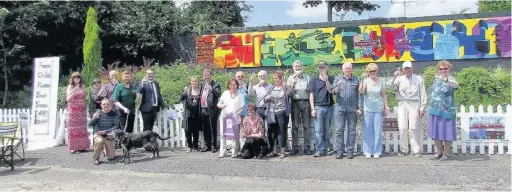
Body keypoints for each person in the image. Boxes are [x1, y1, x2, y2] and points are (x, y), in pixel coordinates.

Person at [387, 61, 427, 158]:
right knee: (402, 127)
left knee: (414, 127)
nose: (407, 70)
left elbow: (423, 93)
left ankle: (416, 150)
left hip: (414, 103)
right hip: (402, 104)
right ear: (403, 69)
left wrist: (422, 107)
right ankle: (404, 149)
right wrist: (394, 77)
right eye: (405, 68)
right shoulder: (399, 79)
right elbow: (389, 87)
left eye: (409, 68)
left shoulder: (418, 78)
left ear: (412, 68)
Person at [428, 60, 458, 161]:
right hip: (435, 110)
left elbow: (456, 85)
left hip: (447, 111)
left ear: (449, 69)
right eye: (441, 69)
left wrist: (445, 80)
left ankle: (446, 153)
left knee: (447, 132)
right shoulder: (436, 80)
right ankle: (439, 152)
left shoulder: (451, 79)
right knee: (435, 132)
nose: (443, 70)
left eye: (445, 68)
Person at [332, 62, 362, 159]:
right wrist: (338, 88)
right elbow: (332, 92)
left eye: (349, 68)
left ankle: (350, 151)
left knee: (352, 131)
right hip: (340, 109)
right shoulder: (338, 79)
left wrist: (359, 107)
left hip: (352, 109)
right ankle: (340, 151)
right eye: (346, 68)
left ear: (352, 69)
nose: (347, 70)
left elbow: (360, 95)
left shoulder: (356, 79)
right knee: (339, 130)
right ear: (342, 69)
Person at [359, 63, 389, 159]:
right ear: (368, 72)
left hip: (378, 108)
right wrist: (362, 80)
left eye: (374, 71)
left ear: (377, 71)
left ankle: (377, 151)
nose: (372, 73)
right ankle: (367, 151)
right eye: (370, 71)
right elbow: (361, 91)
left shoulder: (381, 81)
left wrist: (386, 106)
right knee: (368, 131)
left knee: (378, 131)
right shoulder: (365, 81)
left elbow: (383, 94)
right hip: (368, 108)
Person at [306, 61, 335, 158]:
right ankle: (319, 149)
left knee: (327, 129)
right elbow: (311, 95)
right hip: (318, 107)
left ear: (327, 68)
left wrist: (326, 81)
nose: (322, 69)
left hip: (329, 107)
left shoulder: (331, 78)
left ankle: (326, 148)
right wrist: (312, 108)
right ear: (318, 68)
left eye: (324, 67)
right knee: (318, 130)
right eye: (320, 67)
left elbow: (331, 91)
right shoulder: (313, 80)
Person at [286, 60, 313, 155]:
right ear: (293, 68)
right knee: (295, 126)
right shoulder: (290, 78)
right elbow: (287, 93)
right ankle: (295, 147)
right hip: (294, 103)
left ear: (302, 67)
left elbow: (310, 93)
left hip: (305, 102)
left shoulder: (307, 78)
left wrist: (312, 106)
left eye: (299, 66)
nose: (298, 68)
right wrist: (293, 82)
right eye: (296, 66)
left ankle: (306, 147)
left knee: (306, 126)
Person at [264, 71, 292, 159]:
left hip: (282, 112)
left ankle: (282, 151)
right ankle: (273, 150)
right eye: (274, 78)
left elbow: (290, 92)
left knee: (281, 132)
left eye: (276, 78)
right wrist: (269, 97)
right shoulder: (271, 88)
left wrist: (285, 85)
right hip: (272, 112)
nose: (274, 80)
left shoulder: (284, 88)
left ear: (281, 79)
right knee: (272, 132)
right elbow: (265, 99)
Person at [217, 79, 245, 158]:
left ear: (237, 85)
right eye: (231, 84)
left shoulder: (240, 95)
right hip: (225, 117)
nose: (233, 86)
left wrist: (237, 113)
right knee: (223, 134)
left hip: (235, 117)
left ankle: (234, 151)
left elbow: (242, 107)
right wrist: (221, 106)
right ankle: (222, 151)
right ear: (228, 85)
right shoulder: (225, 93)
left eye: (234, 84)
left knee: (234, 135)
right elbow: (219, 104)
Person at [89, 99, 119, 165]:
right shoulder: (98, 113)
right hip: (99, 134)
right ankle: (96, 159)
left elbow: (116, 126)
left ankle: (106, 150)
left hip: (109, 135)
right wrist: (94, 118)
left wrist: (105, 132)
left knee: (111, 157)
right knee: (99, 141)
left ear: (110, 105)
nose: (106, 106)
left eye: (108, 104)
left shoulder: (114, 114)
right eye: (104, 104)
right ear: (101, 105)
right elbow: (90, 124)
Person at [65, 72, 90, 153]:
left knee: (82, 128)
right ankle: (74, 148)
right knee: (74, 129)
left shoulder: (83, 86)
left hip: (81, 110)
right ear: (72, 79)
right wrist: (73, 91)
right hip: (73, 110)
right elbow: (68, 99)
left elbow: (84, 97)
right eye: (75, 77)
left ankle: (82, 146)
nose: (77, 79)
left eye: (78, 77)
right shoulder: (70, 87)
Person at [200, 69, 222, 152]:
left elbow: (218, 94)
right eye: (205, 75)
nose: (206, 77)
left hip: (212, 109)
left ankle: (213, 146)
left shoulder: (216, 84)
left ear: (211, 75)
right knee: (205, 128)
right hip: (203, 109)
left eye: (207, 75)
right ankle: (207, 145)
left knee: (213, 128)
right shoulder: (202, 84)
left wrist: (212, 89)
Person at [180, 76, 202, 152]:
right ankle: (189, 146)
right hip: (188, 114)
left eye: (195, 81)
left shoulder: (200, 91)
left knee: (196, 131)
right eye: (192, 81)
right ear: (190, 82)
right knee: (188, 131)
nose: (194, 83)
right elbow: (181, 98)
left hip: (197, 114)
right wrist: (183, 93)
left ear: (197, 82)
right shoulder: (187, 91)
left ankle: (195, 146)